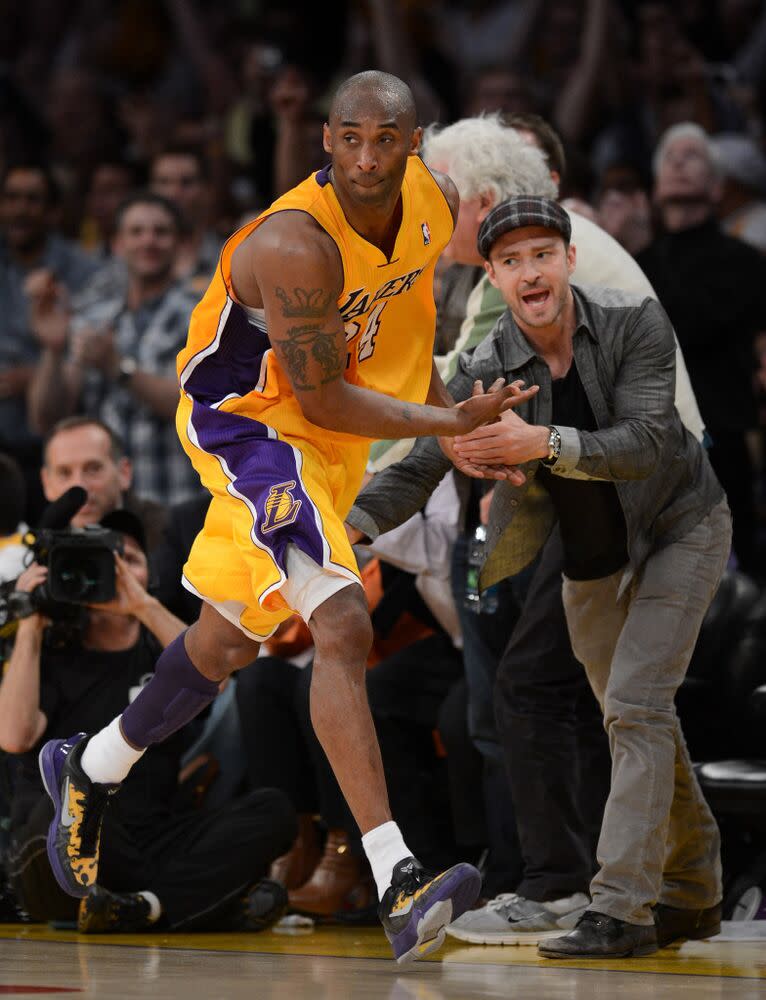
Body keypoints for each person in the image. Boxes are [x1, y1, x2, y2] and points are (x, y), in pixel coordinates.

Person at [38, 71, 535, 964]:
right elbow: (326, 396)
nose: (368, 158)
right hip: (252, 425)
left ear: (414, 144)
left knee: (226, 643)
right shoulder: (295, 243)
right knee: (339, 621)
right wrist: (444, 424)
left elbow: (406, 322)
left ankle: (94, 765)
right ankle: (399, 879)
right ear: (326, 142)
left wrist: (446, 417)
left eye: (387, 139)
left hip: (327, 433)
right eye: (350, 138)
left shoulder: (432, 203)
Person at [349, 196, 731, 958]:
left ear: (569, 260)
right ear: (491, 274)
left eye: (543, 254)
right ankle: (693, 889)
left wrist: (540, 441)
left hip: (679, 528)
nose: (531, 271)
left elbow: (650, 442)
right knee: (638, 717)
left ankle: (621, 908)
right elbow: (428, 456)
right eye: (512, 260)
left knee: (632, 706)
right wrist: (351, 526)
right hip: (592, 554)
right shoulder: (489, 365)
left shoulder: (634, 321)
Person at [1, 508, 295, 933]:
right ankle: (196, 905)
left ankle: (144, 907)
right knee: (57, 799)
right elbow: (13, 736)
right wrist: (29, 623)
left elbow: (221, 678)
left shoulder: (163, 649)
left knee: (273, 811)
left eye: (129, 560)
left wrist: (142, 606)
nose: (113, 571)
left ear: (150, 575)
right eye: (98, 560)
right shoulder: (53, 648)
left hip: (151, 839)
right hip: (63, 846)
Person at [636, 122, 766, 576]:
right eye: (669, 156)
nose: (677, 162)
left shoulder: (745, 262)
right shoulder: (639, 261)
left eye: (692, 156)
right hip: (653, 439)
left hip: (723, 434)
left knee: (731, 570)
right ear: (655, 187)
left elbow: (688, 325)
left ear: (716, 187)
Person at [27, 191, 203, 506]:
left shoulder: (202, 314)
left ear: (180, 244)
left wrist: (117, 368)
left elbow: (196, 407)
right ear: (118, 244)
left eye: (160, 232)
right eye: (136, 232)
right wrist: (53, 350)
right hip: (104, 507)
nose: (148, 241)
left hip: (177, 500)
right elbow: (47, 419)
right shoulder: (92, 317)